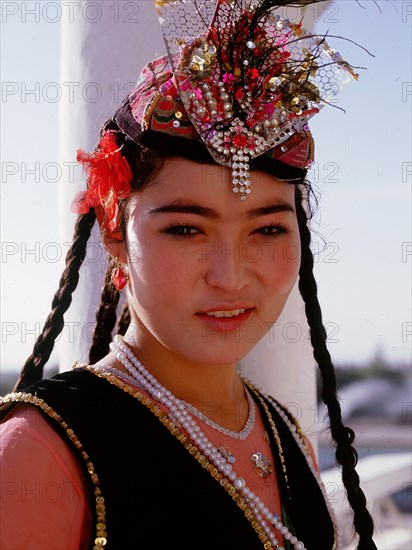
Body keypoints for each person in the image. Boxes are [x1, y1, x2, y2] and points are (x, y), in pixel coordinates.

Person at [0, 1, 377, 548]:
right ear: (113, 230)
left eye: (268, 230)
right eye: (185, 230)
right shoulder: (39, 457)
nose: (230, 276)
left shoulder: (283, 433)